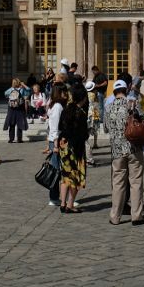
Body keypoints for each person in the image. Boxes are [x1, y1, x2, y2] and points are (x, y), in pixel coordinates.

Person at [103, 80, 144, 225]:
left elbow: (106, 128)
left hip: (117, 151)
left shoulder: (108, 107)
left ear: (114, 92)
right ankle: (136, 216)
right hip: (134, 148)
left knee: (118, 184)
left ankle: (115, 216)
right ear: (126, 89)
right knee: (136, 182)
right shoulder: (132, 103)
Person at [57, 84, 89, 212]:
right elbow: (83, 134)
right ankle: (70, 205)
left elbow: (61, 127)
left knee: (65, 176)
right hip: (76, 149)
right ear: (83, 98)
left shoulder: (66, 109)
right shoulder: (80, 113)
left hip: (64, 147)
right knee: (75, 177)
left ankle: (62, 203)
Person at [45, 86, 66, 207]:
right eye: (63, 92)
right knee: (56, 170)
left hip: (53, 140)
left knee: (55, 169)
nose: (65, 94)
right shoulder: (57, 106)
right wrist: (56, 144)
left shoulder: (52, 105)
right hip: (56, 141)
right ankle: (54, 197)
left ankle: (55, 196)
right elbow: (57, 127)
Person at [3, 79, 28, 143]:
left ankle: (11, 139)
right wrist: (24, 85)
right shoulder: (21, 89)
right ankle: (19, 139)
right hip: (19, 109)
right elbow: (28, 92)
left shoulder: (10, 89)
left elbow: (5, 94)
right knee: (20, 124)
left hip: (11, 109)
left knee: (12, 124)